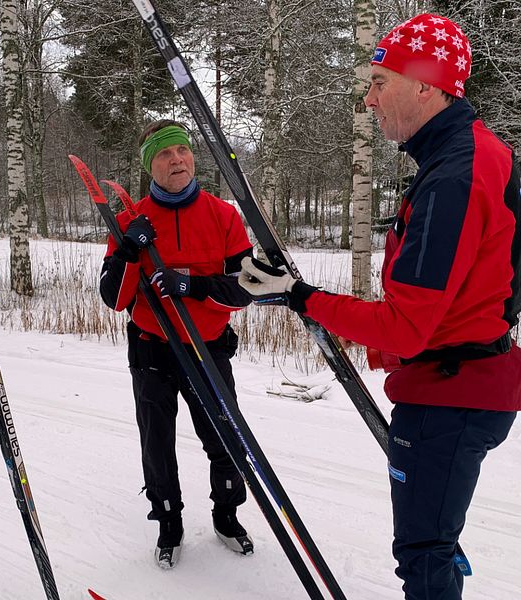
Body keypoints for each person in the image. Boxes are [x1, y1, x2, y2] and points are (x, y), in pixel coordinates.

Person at [239, 13, 521, 600]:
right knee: (433, 541)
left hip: (451, 395)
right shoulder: (478, 153)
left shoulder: (455, 177)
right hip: (464, 381)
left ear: (425, 85)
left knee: (423, 556)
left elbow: (406, 326)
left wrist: (300, 296)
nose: (369, 100)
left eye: (378, 82)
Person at [99, 119, 254, 569]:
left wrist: (194, 285)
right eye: (166, 155)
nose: (178, 160)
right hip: (152, 349)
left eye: (182, 151)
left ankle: (226, 515)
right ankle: (169, 522)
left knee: (225, 436)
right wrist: (130, 250)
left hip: (208, 349)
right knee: (157, 444)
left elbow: (245, 288)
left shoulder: (223, 215)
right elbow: (115, 298)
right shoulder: (132, 219)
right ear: (151, 165)